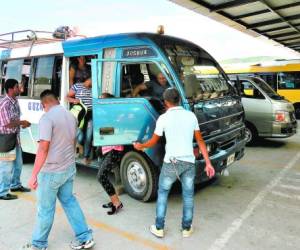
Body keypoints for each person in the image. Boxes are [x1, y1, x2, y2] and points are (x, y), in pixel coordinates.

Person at [133, 88, 215, 238]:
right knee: (188, 196)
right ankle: (186, 228)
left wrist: (141, 146)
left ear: (166, 102)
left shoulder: (163, 119)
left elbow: (153, 141)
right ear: (178, 100)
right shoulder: (191, 116)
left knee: (163, 193)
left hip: (171, 162)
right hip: (189, 162)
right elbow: (200, 141)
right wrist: (208, 163)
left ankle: (159, 227)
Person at [25, 90, 95, 250]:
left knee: (45, 210)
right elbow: (70, 141)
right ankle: (85, 237)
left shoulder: (47, 118)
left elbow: (43, 148)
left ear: (43, 105)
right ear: (57, 100)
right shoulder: (70, 116)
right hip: (69, 168)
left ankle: (38, 244)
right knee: (70, 202)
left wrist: (34, 175)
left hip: (51, 172)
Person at [0, 79, 31, 200]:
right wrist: (22, 122)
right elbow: (7, 123)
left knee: (18, 164)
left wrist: (20, 124)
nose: (20, 89)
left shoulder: (15, 101)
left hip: (15, 138)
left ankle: (15, 185)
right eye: (17, 87)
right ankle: (2, 192)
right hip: (6, 140)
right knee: (6, 167)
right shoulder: (4, 104)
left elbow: (14, 119)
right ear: (11, 89)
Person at [97, 93, 124, 215]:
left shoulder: (116, 114)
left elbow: (118, 130)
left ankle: (117, 203)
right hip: (107, 149)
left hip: (115, 150)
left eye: (102, 100)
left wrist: (100, 130)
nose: (100, 103)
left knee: (101, 177)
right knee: (104, 176)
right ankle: (113, 200)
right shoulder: (105, 114)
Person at [66, 78, 93, 165]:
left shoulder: (95, 88)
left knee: (89, 135)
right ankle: (73, 150)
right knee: (80, 136)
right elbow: (66, 97)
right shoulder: (77, 86)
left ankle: (86, 157)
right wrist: (74, 100)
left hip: (90, 115)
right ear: (89, 79)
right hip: (80, 114)